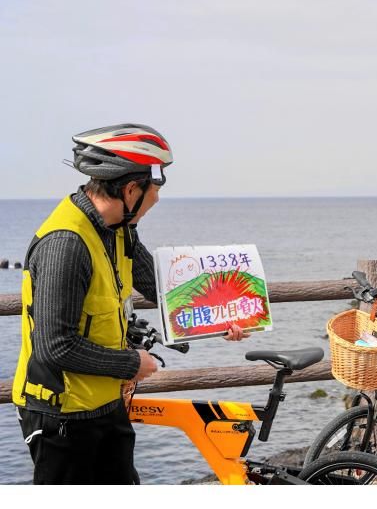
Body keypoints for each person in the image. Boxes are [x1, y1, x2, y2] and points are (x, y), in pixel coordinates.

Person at [11, 124, 247, 485]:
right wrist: (132, 362)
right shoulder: (66, 245)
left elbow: (160, 286)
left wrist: (220, 316)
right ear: (131, 188)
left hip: (105, 401)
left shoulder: (117, 229)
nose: (156, 201)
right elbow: (54, 347)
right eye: (154, 190)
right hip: (63, 415)